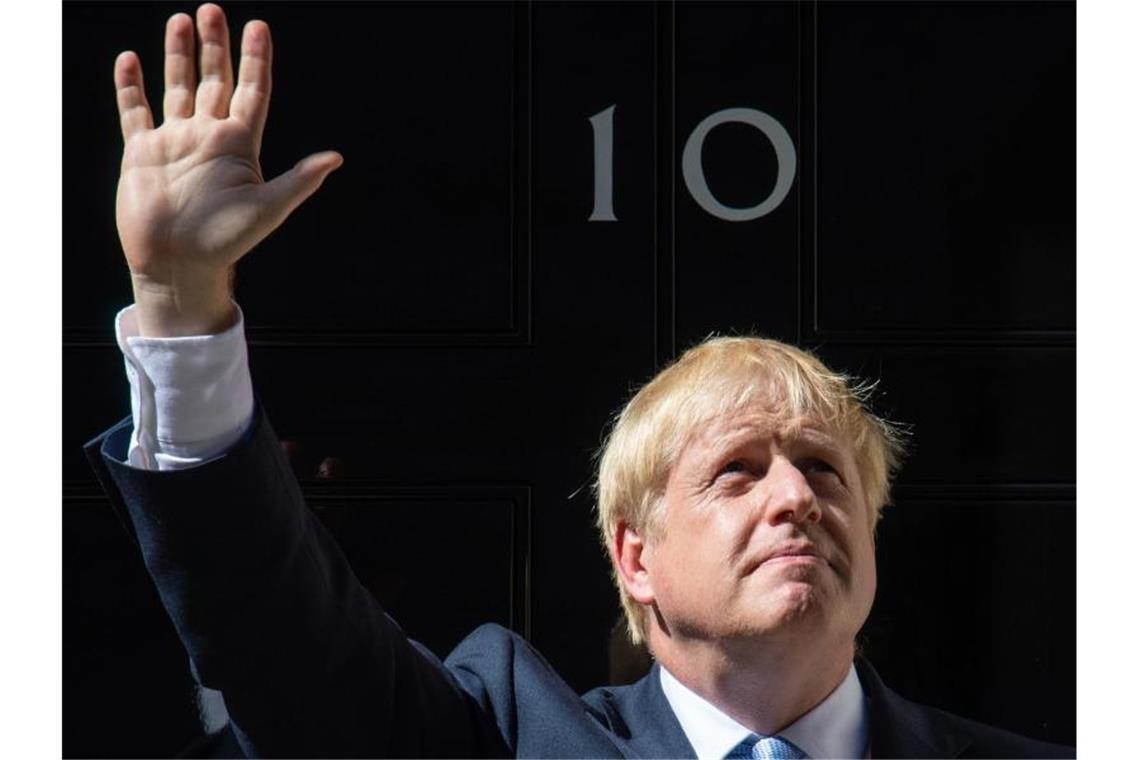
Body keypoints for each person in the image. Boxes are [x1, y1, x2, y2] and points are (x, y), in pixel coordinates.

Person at [87, 5, 1073, 757]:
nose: (797, 499)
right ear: (635, 558)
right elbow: (282, 642)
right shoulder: (511, 732)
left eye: (825, 470)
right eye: (737, 471)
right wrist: (182, 302)